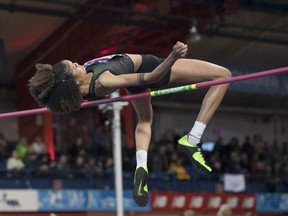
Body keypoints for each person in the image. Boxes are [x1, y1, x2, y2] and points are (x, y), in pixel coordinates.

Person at [28, 41, 231, 207]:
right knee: (223, 76)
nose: (77, 63)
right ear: (72, 81)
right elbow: (152, 77)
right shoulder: (102, 82)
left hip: (134, 83)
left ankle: (141, 165)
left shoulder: (79, 91)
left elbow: (64, 97)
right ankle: (193, 138)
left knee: (145, 119)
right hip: (154, 68)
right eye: (73, 66)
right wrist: (173, 56)